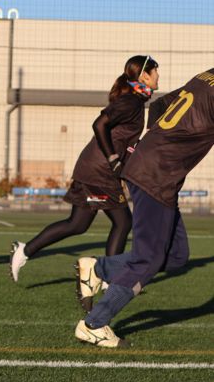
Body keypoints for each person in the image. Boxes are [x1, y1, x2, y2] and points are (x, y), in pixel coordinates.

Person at [75, 68, 214, 348]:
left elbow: (160, 104)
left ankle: (99, 268)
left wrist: (154, 141)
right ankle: (94, 324)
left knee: (176, 256)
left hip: (155, 170)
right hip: (157, 175)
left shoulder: (206, 76)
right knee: (148, 260)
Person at [10, 55, 159, 282]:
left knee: (77, 224)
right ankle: (110, 279)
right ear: (144, 76)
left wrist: (128, 160)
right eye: (155, 71)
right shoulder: (130, 101)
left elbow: (122, 139)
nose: (158, 76)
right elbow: (99, 125)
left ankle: (24, 250)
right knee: (123, 222)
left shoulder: (136, 101)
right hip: (99, 172)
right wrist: (112, 159)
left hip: (95, 169)